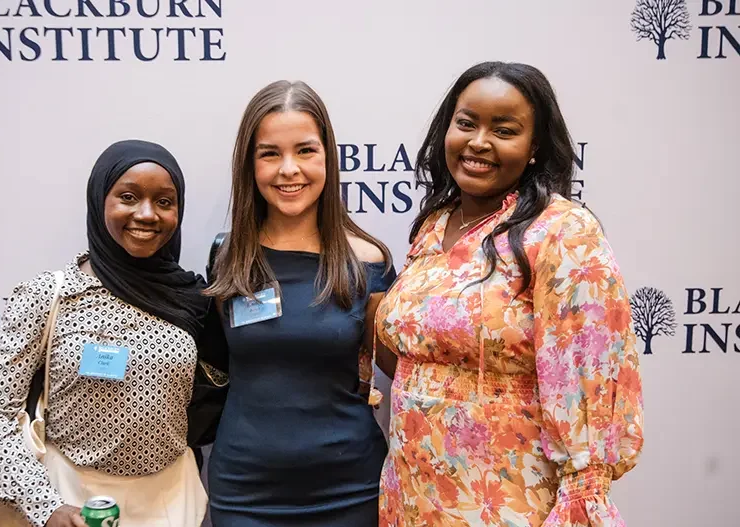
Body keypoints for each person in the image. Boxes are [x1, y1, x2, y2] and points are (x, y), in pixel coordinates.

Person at [374, 62, 644, 526]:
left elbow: (592, 376)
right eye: (466, 123)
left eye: (504, 129)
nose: (479, 142)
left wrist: (581, 497)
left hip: (507, 501)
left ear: (534, 146)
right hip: (410, 494)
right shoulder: (433, 226)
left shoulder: (563, 232)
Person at [0, 139, 220, 527]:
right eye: (128, 197)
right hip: (71, 499)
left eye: (164, 202)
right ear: (100, 200)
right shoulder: (49, 295)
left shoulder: (195, 300)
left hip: (172, 500)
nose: (147, 214)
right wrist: (44, 505)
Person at [203, 80, 396, 526]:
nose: (289, 169)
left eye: (305, 150)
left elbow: (396, 370)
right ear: (249, 165)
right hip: (245, 492)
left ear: (328, 156)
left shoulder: (369, 262)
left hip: (350, 489)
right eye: (270, 153)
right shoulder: (227, 256)